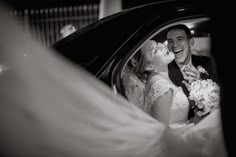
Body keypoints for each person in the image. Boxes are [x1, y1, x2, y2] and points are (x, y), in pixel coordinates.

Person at [0, 3, 227, 157]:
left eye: (180, 39)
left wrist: (205, 95)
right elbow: (162, 130)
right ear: (149, 63)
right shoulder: (162, 81)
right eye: (167, 41)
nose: (172, 45)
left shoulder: (207, 64)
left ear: (190, 42)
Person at [166, 24, 217, 119]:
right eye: (170, 41)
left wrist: (201, 82)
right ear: (168, 46)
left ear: (191, 42)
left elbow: (219, 95)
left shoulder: (208, 62)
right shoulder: (166, 71)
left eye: (180, 39)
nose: (175, 45)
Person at [139, 40, 191, 128]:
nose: (161, 46)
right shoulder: (160, 86)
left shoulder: (160, 78)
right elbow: (163, 133)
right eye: (155, 51)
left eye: (157, 43)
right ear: (149, 66)